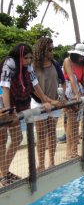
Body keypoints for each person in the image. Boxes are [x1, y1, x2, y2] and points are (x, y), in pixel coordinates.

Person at [0, 43, 52, 186]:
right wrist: (9, 111)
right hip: (3, 103)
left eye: (30, 58)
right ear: (19, 56)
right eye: (26, 58)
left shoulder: (27, 67)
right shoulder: (10, 63)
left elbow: (35, 85)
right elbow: (4, 87)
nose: (29, 61)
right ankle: (3, 175)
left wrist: (45, 101)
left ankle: (4, 172)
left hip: (12, 104)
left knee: (17, 138)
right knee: (2, 140)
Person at [32, 37, 65, 172]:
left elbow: (63, 80)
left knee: (51, 133)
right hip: (38, 103)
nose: (52, 51)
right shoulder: (33, 66)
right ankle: (41, 164)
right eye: (50, 49)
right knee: (41, 135)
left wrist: (62, 96)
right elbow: (32, 88)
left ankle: (51, 161)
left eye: (53, 49)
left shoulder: (55, 64)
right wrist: (46, 101)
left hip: (55, 102)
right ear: (42, 50)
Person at [63, 43, 84, 158]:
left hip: (79, 91)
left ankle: (73, 149)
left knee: (76, 123)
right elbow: (71, 78)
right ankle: (70, 151)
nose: (82, 57)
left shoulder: (83, 63)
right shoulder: (67, 61)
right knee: (71, 122)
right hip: (69, 91)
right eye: (80, 55)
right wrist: (76, 94)